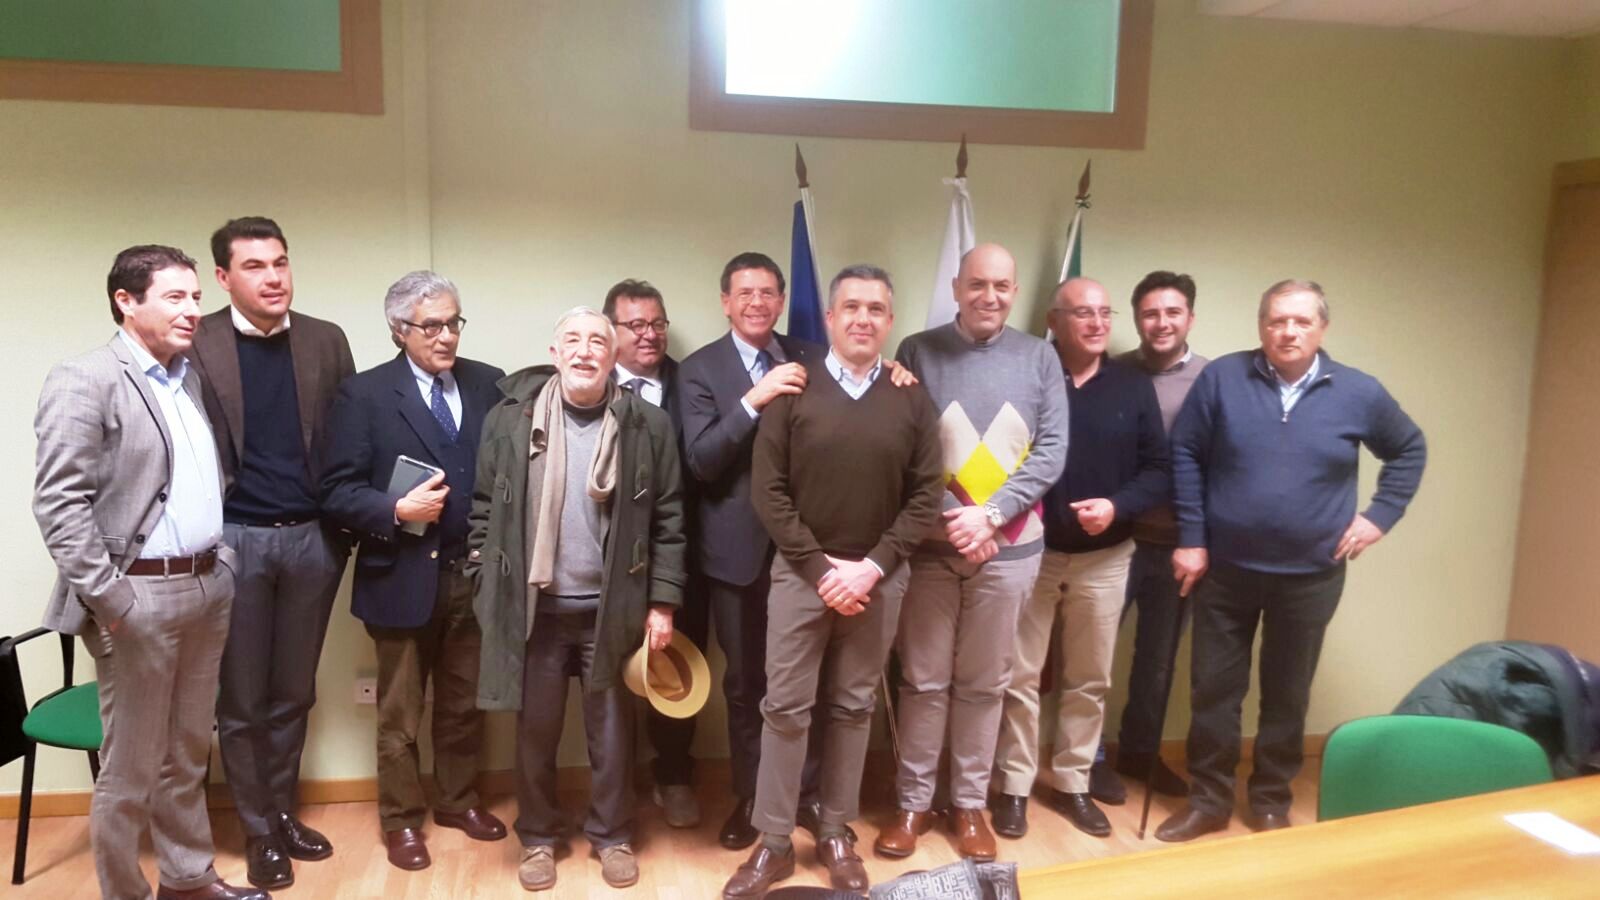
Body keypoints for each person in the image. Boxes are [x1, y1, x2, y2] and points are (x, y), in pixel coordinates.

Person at [1156, 280, 1427, 842]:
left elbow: (1408, 448)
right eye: (1277, 320)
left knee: (1286, 694)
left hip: (1310, 576)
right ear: (1261, 326)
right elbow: (1185, 452)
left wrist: (1380, 516)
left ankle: (1270, 801)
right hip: (1225, 571)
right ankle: (1209, 800)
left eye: (1302, 321)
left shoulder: (1358, 391)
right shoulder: (1223, 378)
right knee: (1213, 692)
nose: (1288, 332)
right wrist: (1192, 537)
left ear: (1322, 328)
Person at [33, 245, 263, 900]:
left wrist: (221, 562)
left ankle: (188, 879)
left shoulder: (186, 377)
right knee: (130, 769)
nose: (192, 310)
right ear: (126, 302)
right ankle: (125, 892)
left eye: (195, 297)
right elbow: (59, 504)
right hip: (138, 596)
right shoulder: (85, 379)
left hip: (206, 586)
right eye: (175, 297)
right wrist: (112, 600)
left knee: (186, 753)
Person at [723, 266, 943, 898]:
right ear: (829, 318)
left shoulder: (911, 397)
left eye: (875, 308)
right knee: (784, 709)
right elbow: (768, 492)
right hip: (802, 575)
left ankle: (835, 831)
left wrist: (871, 567)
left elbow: (926, 495)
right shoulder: (793, 387)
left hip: (879, 578)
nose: (862, 318)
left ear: (890, 321)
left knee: (852, 707)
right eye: (851, 307)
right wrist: (822, 570)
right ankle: (773, 843)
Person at [468, 307, 686, 891]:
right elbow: (483, 507)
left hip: (611, 611)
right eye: (573, 340)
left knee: (613, 738)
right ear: (555, 352)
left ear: (613, 356)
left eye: (597, 341)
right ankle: (538, 839)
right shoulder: (509, 419)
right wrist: (483, 577)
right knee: (535, 735)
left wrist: (662, 603)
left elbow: (669, 519)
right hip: (535, 610)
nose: (585, 350)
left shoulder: (647, 424)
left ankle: (612, 836)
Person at [877, 243, 1069, 862]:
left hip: (1009, 552)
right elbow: (904, 446)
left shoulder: (1041, 357)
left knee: (985, 685)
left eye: (1002, 286)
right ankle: (913, 803)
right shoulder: (917, 351)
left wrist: (990, 516)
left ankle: (968, 805)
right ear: (957, 288)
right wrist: (952, 519)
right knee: (923, 681)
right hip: (930, 550)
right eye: (978, 284)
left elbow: (1051, 451)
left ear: (1015, 292)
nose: (990, 296)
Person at [185, 217, 354, 889]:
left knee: (293, 693)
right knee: (242, 699)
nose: (274, 276)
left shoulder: (325, 340)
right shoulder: (196, 342)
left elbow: (347, 439)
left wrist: (344, 530)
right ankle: (257, 830)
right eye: (254, 266)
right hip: (235, 542)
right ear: (223, 278)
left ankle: (282, 814)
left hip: (312, 540)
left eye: (280, 262)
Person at [319, 271, 508, 870]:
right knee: (400, 714)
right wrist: (396, 510)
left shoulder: (488, 383)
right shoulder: (364, 395)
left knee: (464, 704)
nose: (446, 336)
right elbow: (335, 491)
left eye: (454, 322)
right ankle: (401, 819)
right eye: (432, 326)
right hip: (400, 575)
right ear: (399, 330)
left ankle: (457, 800)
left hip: (472, 575)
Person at [992, 277, 1168, 839]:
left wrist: (1117, 507)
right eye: (1082, 313)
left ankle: (1073, 783)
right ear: (1055, 321)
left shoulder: (1132, 386)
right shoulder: (1030, 375)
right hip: (1032, 555)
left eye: (1104, 313)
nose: (1097, 324)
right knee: (1018, 676)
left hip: (1106, 557)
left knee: (1089, 678)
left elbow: (1158, 469)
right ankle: (1014, 786)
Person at [674, 252, 829, 849]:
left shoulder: (814, 357)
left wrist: (892, 373)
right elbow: (702, 461)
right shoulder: (699, 370)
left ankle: (804, 797)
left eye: (767, 292)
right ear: (725, 302)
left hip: (806, 550)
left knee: (804, 681)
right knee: (745, 685)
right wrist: (754, 399)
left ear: (782, 300)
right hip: (734, 555)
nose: (757, 303)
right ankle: (752, 799)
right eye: (745, 293)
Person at [1099, 271, 1208, 803]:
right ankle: (1089, 759)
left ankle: (1141, 754)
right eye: (1150, 313)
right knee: (1093, 658)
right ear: (1138, 319)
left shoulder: (1213, 380)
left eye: (1172, 312)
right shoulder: (1112, 373)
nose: (1161, 323)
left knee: (1158, 662)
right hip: (1114, 542)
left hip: (1178, 545)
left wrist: (1201, 539)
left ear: (1190, 317)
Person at [604, 278, 706, 829]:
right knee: (608, 678)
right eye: (636, 325)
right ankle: (614, 788)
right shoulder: (587, 386)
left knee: (676, 671)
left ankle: (674, 775)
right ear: (611, 331)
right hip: (606, 564)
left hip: (682, 558)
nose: (649, 335)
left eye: (658, 323)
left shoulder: (694, 384)